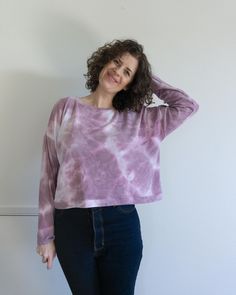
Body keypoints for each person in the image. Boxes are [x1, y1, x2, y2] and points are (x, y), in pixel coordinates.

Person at [36, 39, 199, 295]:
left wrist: (144, 76)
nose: (117, 72)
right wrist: (45, 236)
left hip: (120, 225)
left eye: (127, 73)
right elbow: (49, 172)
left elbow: (187, 106)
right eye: (116, 62)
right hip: (72, 226)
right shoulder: (66, 108)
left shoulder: (140, 119)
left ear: (131, 83)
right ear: (104, 61)